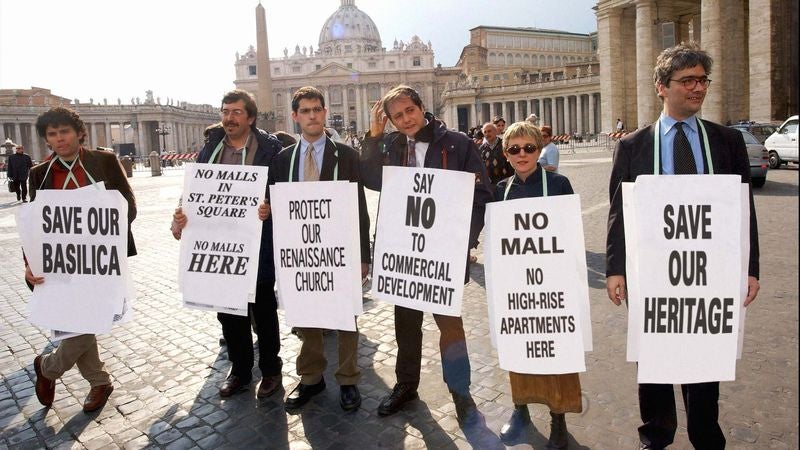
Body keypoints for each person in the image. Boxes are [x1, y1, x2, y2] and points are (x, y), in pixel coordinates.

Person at [605, 42, 760, 450]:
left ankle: (706, 436)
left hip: (709, 274)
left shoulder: (727, 141)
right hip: (652, 274)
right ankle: (655, 435)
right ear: (661, 86)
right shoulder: (633, 145)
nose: (697, 88)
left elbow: (744, 211)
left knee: (704, 358)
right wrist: (615, 269)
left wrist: (750, 267)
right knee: (652, 359)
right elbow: (619, 213)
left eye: (702, 80)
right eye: (687, 80)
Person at [360, 85, 492, 425]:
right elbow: (371, 178)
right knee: (405, 324)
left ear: (422, 107)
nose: (405, 120)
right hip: (404, 251)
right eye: (397, 116)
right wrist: (373, 138)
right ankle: (406, 385)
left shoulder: (458, 143)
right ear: (389, 121)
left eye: (409, 111)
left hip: (444, 252)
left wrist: (464, 241)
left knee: (449, 324)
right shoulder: (389, 145)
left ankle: (460, 392)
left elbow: (481, 195)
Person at [171, 89, 285, 399]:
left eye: (236, 112)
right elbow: (193, 189)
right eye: (225, 111)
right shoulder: (210, 147)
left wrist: (271, 205)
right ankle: (240, 369)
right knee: (227, 308)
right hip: (219, 242)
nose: (229, 117)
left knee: (263, 306)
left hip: (258, 241)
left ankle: (272, 370)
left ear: (250, 117)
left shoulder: (270, 149)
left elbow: (283, 191)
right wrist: (180, 215)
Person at [27, 106, 137, 413]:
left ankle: (48, 368)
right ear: (47, 140)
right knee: (82, 321)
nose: (59, 139)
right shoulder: (40, 174)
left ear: (79, 133)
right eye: (52, 134)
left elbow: (127, 203)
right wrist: (31, 263)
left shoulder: (103, 161)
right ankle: (98, 381)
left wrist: (108, 233)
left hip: (101, 260)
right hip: (62, 263)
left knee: (91, 317)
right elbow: (34, 225)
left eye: (64, 132)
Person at [268, 86, 371, 412]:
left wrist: (364, 256)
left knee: (345, 316)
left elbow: (359, 206)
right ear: (296, 116)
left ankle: (348, 378)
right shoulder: (283, 159)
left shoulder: (347, 155)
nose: (312, 116)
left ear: (324, 113)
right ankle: (311, 377)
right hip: (301, 251)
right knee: (306, 313)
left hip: (340, 250)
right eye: (306, 111)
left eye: (317, 109)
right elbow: (275, 205)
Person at [494, 121, 581, 448]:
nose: (522, 154)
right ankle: (521, 411)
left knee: (555, 349)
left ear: (539, 149)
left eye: (528, 148)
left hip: (553, 283)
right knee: (518, 347)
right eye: (514, 149)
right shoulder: (501, 189)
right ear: (506, 154)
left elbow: (571, 235)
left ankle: (558, 417)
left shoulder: (559, 184)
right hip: (516, 285)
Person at [480, 122, 514, 186]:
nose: (487, 134)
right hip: (489, 186)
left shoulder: (505, 145)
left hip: (505, 183)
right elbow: (478, 168)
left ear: (496, 132)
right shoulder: (481, 149)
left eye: (489, 131)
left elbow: (511, 164)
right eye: (485, 132)